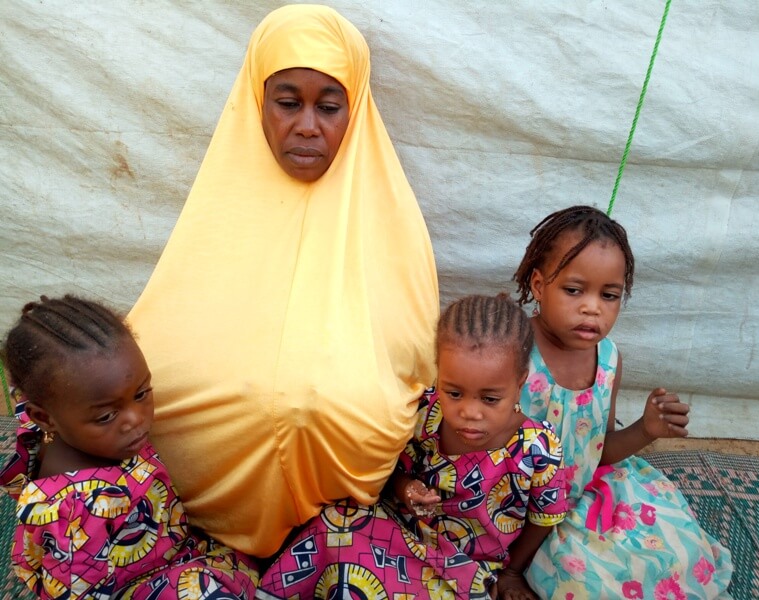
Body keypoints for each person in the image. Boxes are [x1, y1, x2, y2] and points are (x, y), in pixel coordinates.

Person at [126, 5, 439, 557]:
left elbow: (409, 359)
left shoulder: (387, 213)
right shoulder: (224, 200)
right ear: (257, 102)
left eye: (330, 107)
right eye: (288, 103)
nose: (308, 126)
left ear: (357, 109)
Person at [259, 294, 567, 599]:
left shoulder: (539, 448)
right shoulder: (426, 411)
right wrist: (407, 490)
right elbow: (391, 473)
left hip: (467, 567)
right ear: (439, 374)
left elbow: (545, 518)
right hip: (403, 533)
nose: (470, 412)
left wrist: (512, 573)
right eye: (454, 393)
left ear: (520, 383)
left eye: (489, 399)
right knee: (339, 519)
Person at [512, 205, 733, 598]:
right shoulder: (513, 352)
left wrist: (646, 429)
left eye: (609, 295)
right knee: (585, 583)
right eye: (574, 289)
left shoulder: (609, 360)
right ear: (539, 285)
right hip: (518, 502)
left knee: (671, 553)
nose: (592, 307)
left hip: (587, 496)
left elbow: (598, 450)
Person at [0, 295, 259, 599]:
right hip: (139, 586)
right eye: (107, 415)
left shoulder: (77, 420)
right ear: (44, 418)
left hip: (180, 549)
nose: (137, 419)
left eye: (142, 393)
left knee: (329, 527)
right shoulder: (78, 516)